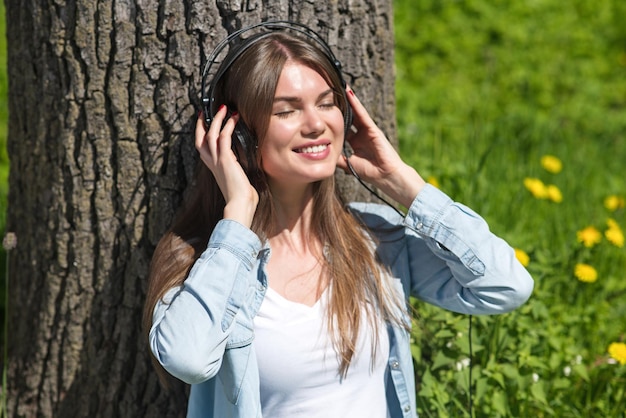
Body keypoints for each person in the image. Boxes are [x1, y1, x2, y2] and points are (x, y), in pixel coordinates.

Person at [143, 25, 534, 418]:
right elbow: (188, 360)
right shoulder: (207, 262)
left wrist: (405, 185)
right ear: (239, 135)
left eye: (327, 103)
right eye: (287, 110)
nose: (315, 124)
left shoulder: (376, 240)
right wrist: (239, 213)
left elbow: (506, 286)